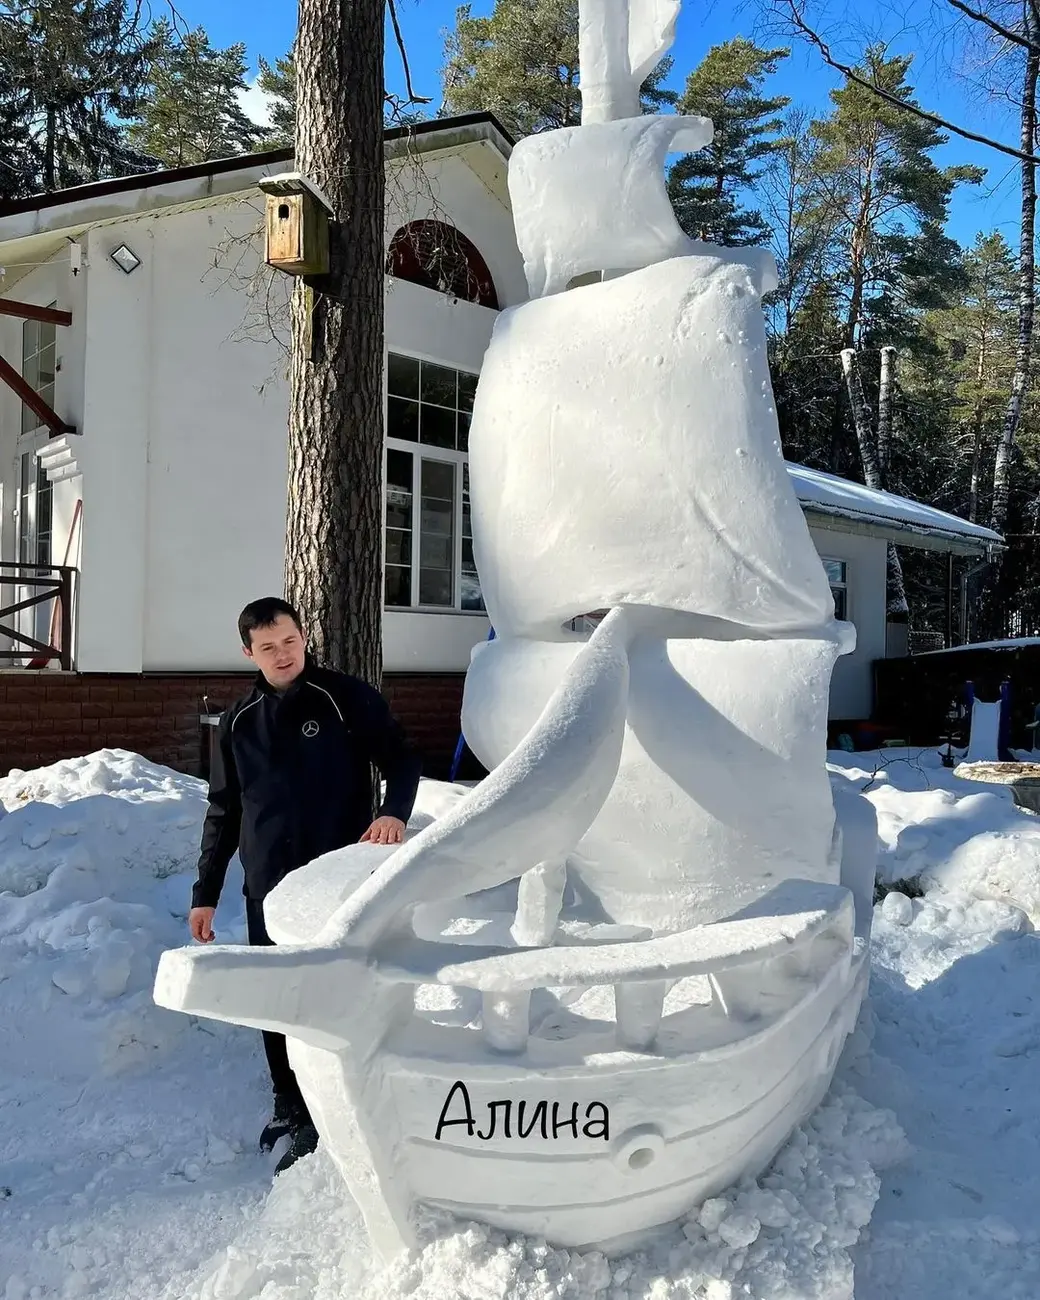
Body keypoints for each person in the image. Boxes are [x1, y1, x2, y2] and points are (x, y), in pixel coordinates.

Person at [188, 596, 421, 1173]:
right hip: (267, 882)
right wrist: (205, 893)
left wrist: (393, 812)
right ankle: (291, 1104)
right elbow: (224, 810)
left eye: (289, 641)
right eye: (268, 647)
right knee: (276, 995)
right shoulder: (238, 722)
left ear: (303, 638)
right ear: (250, 652)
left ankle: (344, 1102)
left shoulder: (343, 698)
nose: (282, 653)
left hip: (337, 881)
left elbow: (400, 760)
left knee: (335, 991)